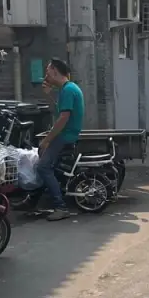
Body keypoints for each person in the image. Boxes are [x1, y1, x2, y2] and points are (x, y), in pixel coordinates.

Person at [36, 57, 85, 220]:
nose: (46, 76)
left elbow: (63, 118)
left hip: (65, 136)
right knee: (46, 163)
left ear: (55, 71)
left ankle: (60, 206)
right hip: (66, 134)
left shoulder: (68, 90)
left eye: (48, 71)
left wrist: (47, 139)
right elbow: (60, 111)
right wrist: (49, 95)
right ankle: (37, 199)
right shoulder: (67, 89)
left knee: (43, 167)